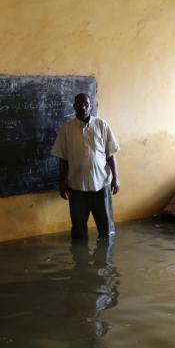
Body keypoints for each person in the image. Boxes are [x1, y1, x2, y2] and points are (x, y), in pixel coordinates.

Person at [51, 93, 120, 240]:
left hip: (101, 186)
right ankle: (80, 260)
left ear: (90, 106)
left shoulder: (102, 125)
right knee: (78, 231)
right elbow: (63, 159)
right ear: (74, 106)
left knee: (106, 229)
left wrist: (116, 178)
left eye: (85, 104)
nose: (82, 107)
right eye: (78, 104)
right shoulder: (66, 130)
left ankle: (105, 262)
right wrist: (61, 183)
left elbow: (110, 155)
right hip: (77, 187)